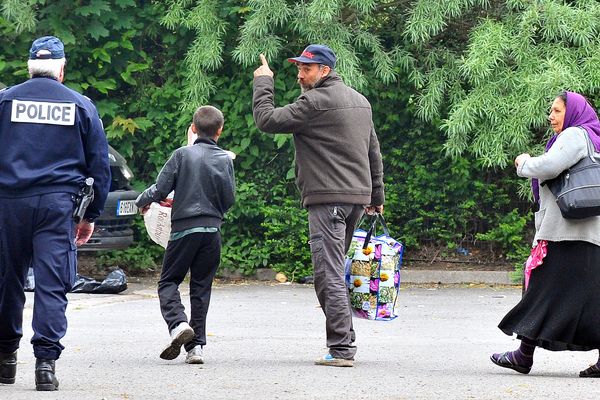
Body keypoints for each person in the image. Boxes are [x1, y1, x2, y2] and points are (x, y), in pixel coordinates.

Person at [252, 44, 385, 367]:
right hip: (356, 199)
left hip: (328, 201)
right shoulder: (360, 101)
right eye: (299, 68)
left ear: (325, 70)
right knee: (333, 269)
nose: (300, 74)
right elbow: (373, 152)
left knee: (327, 273)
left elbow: (266, 120)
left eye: (307, 69)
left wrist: (263, 82)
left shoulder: (314, 102)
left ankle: (341, 348)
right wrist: (377, 198)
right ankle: (343, 341)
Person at [0, 36, 111, 391]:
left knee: (7, 282)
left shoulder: (4, 102)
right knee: (51, 285)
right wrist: (90, 215)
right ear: (61, 69)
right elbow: (100, 167)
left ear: (29, 66)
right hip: (56, 206)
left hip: (8, 204)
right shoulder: (81, 106)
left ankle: (5, 361)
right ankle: (45, 366)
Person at [491, 91, 600, 378]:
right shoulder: (594, 138)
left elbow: (550, 166)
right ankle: (524, 354)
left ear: (573, 112)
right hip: (587, 233)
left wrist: (524, 162)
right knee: (588, 296)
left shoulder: (575, 135)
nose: (550, 116)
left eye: (556, 111)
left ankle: (523, 355)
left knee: (542, 289)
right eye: (550, 111)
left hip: (566, 233)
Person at [136, 105, 235, 364]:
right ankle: (196, 348)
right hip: (211, 231)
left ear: (193, 128)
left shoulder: (181, 155)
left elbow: (160, 189)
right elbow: (229, 198)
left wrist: (140, 200)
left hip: (183, 230)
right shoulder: (225, 159)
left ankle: (178, 324)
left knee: (168, 282)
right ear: (220, 131)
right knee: (201, 288)